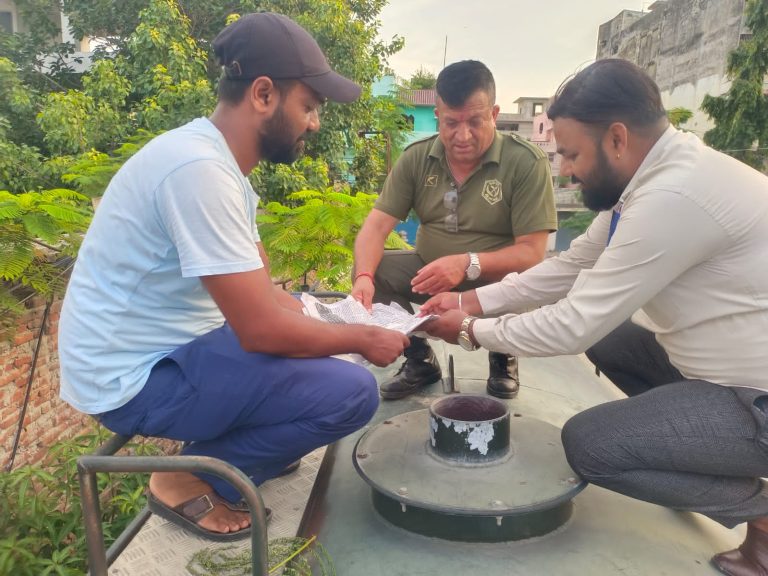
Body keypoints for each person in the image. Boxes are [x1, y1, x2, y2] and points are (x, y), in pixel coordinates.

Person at [58, 13, 408, 542]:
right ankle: (187, 478)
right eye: (308, 106)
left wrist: (329, 316)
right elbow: (260, 330)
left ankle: (244, 448)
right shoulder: (197, 172)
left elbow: (265, 294)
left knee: (319, 351)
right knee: (352, 393)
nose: (314, 123)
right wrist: (361, 337)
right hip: (133, 379)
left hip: (178, 351)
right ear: (263, 94)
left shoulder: (221, 169)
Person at [421, 58, 768, 575]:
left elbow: (573, 322)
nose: (564, 169)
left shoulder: (672, 199)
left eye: (571, 154)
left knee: (591, 446)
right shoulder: (655, 177)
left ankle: (761, 516)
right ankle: (689, 452)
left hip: (755, 396)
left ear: (617, 139)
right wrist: (469, 301)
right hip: (728, 366)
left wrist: (469, 331)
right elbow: (570, 268)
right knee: (616, 340)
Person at [352, 60, 557, 401]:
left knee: (517, 278)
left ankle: (502, 355)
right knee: (378, 271)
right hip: (429, 271)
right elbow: (375, 228)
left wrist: (466, 262)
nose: (462, 136)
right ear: (438, 116)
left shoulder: (525, 162)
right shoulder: (416, 158)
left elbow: (532, 253)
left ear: (493, 113)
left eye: (475, 122)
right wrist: (362, 278)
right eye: (451, 123)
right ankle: (419, 359)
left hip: (497, 276)